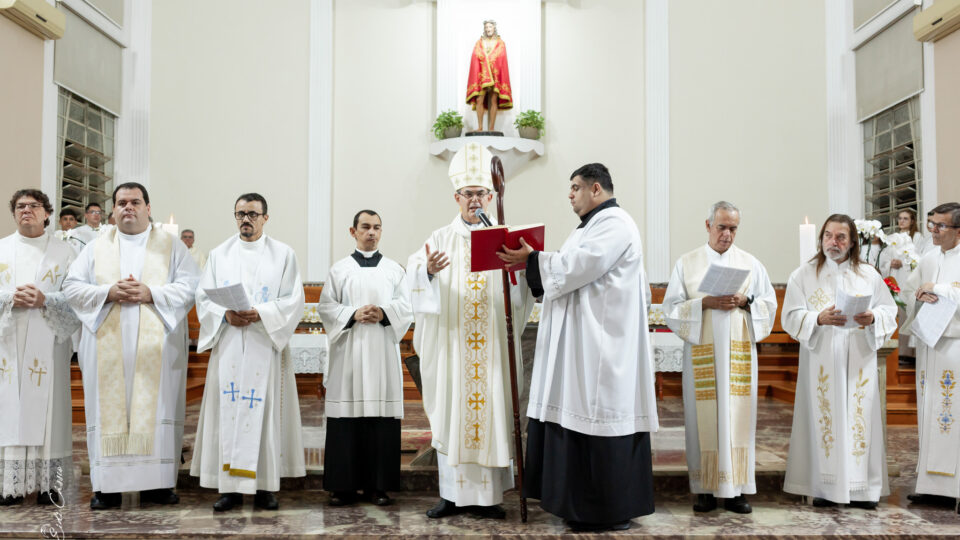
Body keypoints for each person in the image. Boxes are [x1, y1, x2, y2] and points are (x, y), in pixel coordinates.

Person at [499, 163, 658, 532]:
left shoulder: (615, 223)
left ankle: (603, 511)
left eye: (575, 187)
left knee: (595, 420)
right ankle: (577, 506)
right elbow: (569, 269)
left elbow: (580, 265)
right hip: (584, 343)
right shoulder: (589, 227)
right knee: (575, 418)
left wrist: (534, 259)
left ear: (596, 188)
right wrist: (534, 261)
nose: (570, 195)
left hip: (601, 348)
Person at [406, 143, 535, 519]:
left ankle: (489, 498)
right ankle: (451, 496)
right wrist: (427, 272)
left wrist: (518, 269)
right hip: (453, 349)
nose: (474, 199)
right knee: (453, 414)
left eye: (481, 193)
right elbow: (413, 277)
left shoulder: (505, 240)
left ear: (491, 197)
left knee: (491, 413)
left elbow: (521, 293)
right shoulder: (439, 239)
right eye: (468, 193)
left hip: (491, 348)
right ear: (456, 197)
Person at [63, 182, 200, 510]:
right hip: (106, 347)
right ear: (113, 210)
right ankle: (106, 487)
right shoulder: (96, 247)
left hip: (157, 350)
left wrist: (151, 293)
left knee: (157, 408)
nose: (128, 207)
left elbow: (191, 285)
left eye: (135, 202)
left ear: (147, 208)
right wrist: (108, 292)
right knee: (108, 410)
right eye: (121, 202)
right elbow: (71, 287)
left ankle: (158, 485)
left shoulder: (170, 246)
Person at [190, 193, 305, 512]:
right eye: (241, 213)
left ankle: (265, 486)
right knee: (227, 411)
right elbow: (203, 297)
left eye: (253, 214)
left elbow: (294, 300)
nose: (246, 219)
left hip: (264, 342)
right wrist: (225, 314)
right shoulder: (219, 254)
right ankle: (229, 488)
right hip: (229, 343)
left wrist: (262, 313)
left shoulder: (283, 254)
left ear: (265, 218)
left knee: (265, 413)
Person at [662, 201, 777, 514]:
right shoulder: (687, 263)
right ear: (708, 226)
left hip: (739, 354)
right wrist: (705, 303)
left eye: (733, 228)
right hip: (703, 353)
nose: (727, 234)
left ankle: (737, 490)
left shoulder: (751, 264)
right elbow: (671, 309)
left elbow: (768, 305)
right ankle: (705, 489)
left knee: (738, 417)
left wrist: (746, 301)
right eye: (722, 227)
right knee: (702, 420)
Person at [781, 214, 897, 509]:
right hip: (822, 358)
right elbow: (790, 316)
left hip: (859, 358)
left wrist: (873, 317)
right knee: (825, 418)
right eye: (828, 236)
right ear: (821, 239)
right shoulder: (803, 275)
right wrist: (817, 318)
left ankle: (862, 490)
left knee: (859, 417)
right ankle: (825, 487)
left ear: (853, 242)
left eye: (841, 237)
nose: (833, 242)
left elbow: (888, 310)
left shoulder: (868, 274)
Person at [319, 209, 413, 507]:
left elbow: (407, 306)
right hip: (349, 352)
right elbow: (326, 307)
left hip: (381, 352)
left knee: (380, 419)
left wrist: (384, 313)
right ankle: (342, 487)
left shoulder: (394, 270)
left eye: (377, 227)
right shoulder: (339, 269)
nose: (372, 232)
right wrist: (352, 313)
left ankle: (378, 486)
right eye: (365, 227)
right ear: (353, 231)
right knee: (346, 418)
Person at [0, 189, 80, 506]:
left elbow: (78, 296)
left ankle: (48, 485)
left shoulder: (66, 252)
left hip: (48, 341)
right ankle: (9, 485)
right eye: (20, 206)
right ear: (14, 213)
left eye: (34, 206)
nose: (27, 210)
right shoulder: (2, 248)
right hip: (7, 342)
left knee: (50, 410)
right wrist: (10, 299)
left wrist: (46, 299)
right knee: (8, 408)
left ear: (47, 213)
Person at [902, 202, 960, 508]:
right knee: (929, 412)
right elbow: (907, 292)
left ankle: (956, 487)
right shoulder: (928, 258)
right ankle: (930, 485)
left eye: (941, 226)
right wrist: (919, 296)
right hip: (930, 343)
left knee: (953, 413)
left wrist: (938, 287)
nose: (934, 231)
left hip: (955, 344)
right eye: (931, 224)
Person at [466, 20, 512, 132]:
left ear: (494, 28)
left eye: (490, 27)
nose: (488, 29)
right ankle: (480, 127)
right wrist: (484, 60)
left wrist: (491, 60)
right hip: (482, 75)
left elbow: (501, 58)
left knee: (493, 100)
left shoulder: (500, 43)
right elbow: (475, 56)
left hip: (495, 75)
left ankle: (491, 128)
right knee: (479, 100)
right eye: (486, 27)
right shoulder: (479, 42)